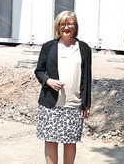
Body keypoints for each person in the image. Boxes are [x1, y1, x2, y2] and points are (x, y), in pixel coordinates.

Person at [34, 10, 92, 164]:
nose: (66, 27)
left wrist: (86, 104)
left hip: (74, 104)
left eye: (70, 24)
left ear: (75, 26)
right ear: (57, 27)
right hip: (51, 104)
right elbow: (39, 71)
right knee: (51, 141)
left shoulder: (84, 48)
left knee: (70, 142)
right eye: (62, 24)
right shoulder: (48, 47)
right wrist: (48, 81)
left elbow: (87, 77)